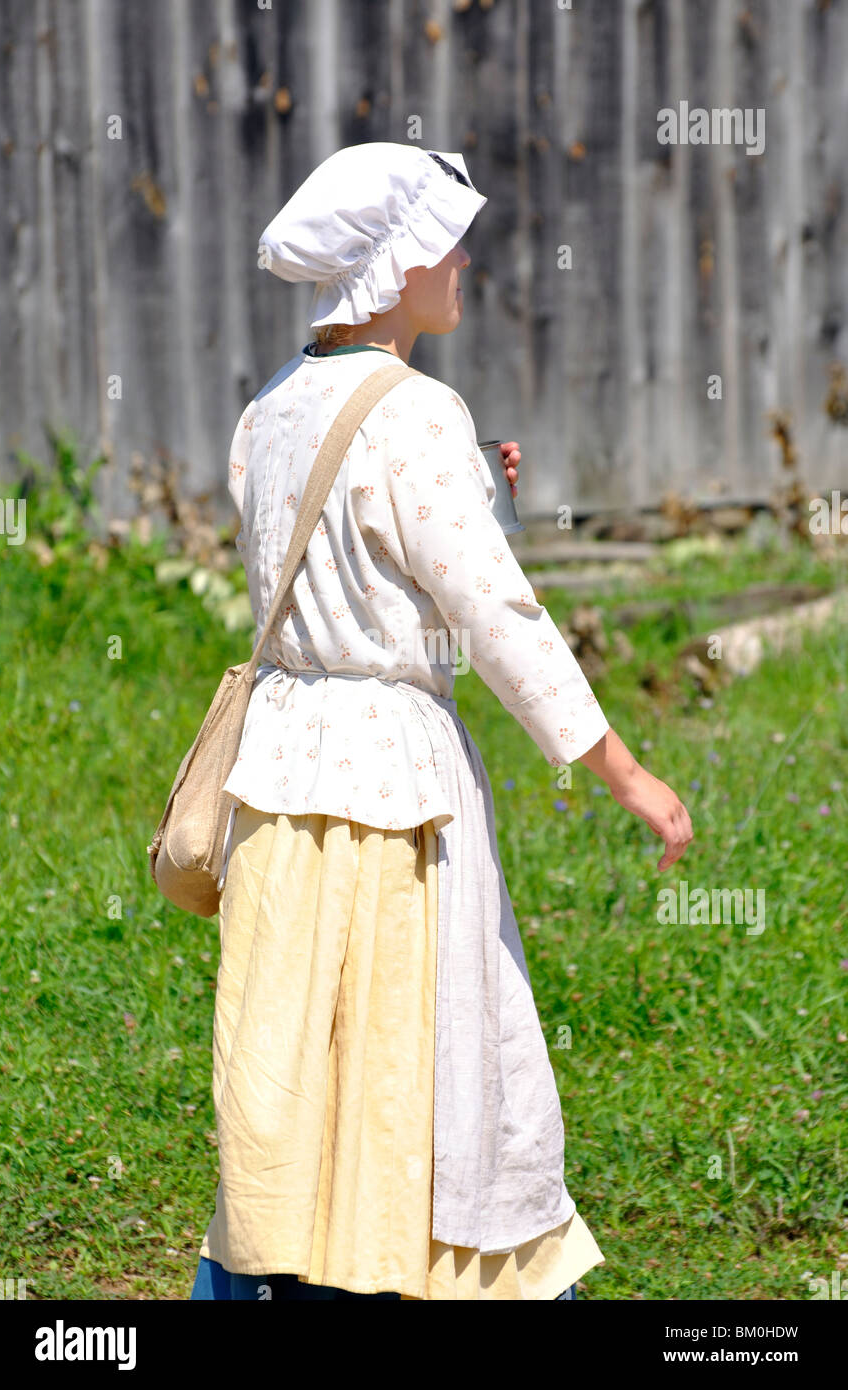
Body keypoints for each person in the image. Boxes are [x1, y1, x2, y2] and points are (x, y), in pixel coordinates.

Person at [189, 142, 693, 1302]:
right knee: (419, 1063)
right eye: (447, 240)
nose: (464, 258)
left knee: (288, 1067)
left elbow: (328, 562)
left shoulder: (267, 407)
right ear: (399, 262)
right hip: (392, 791)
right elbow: (495, 616)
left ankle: (288, 1275)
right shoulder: (417, 416)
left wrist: (474, 492)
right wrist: (619, 770)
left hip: (278, 780)